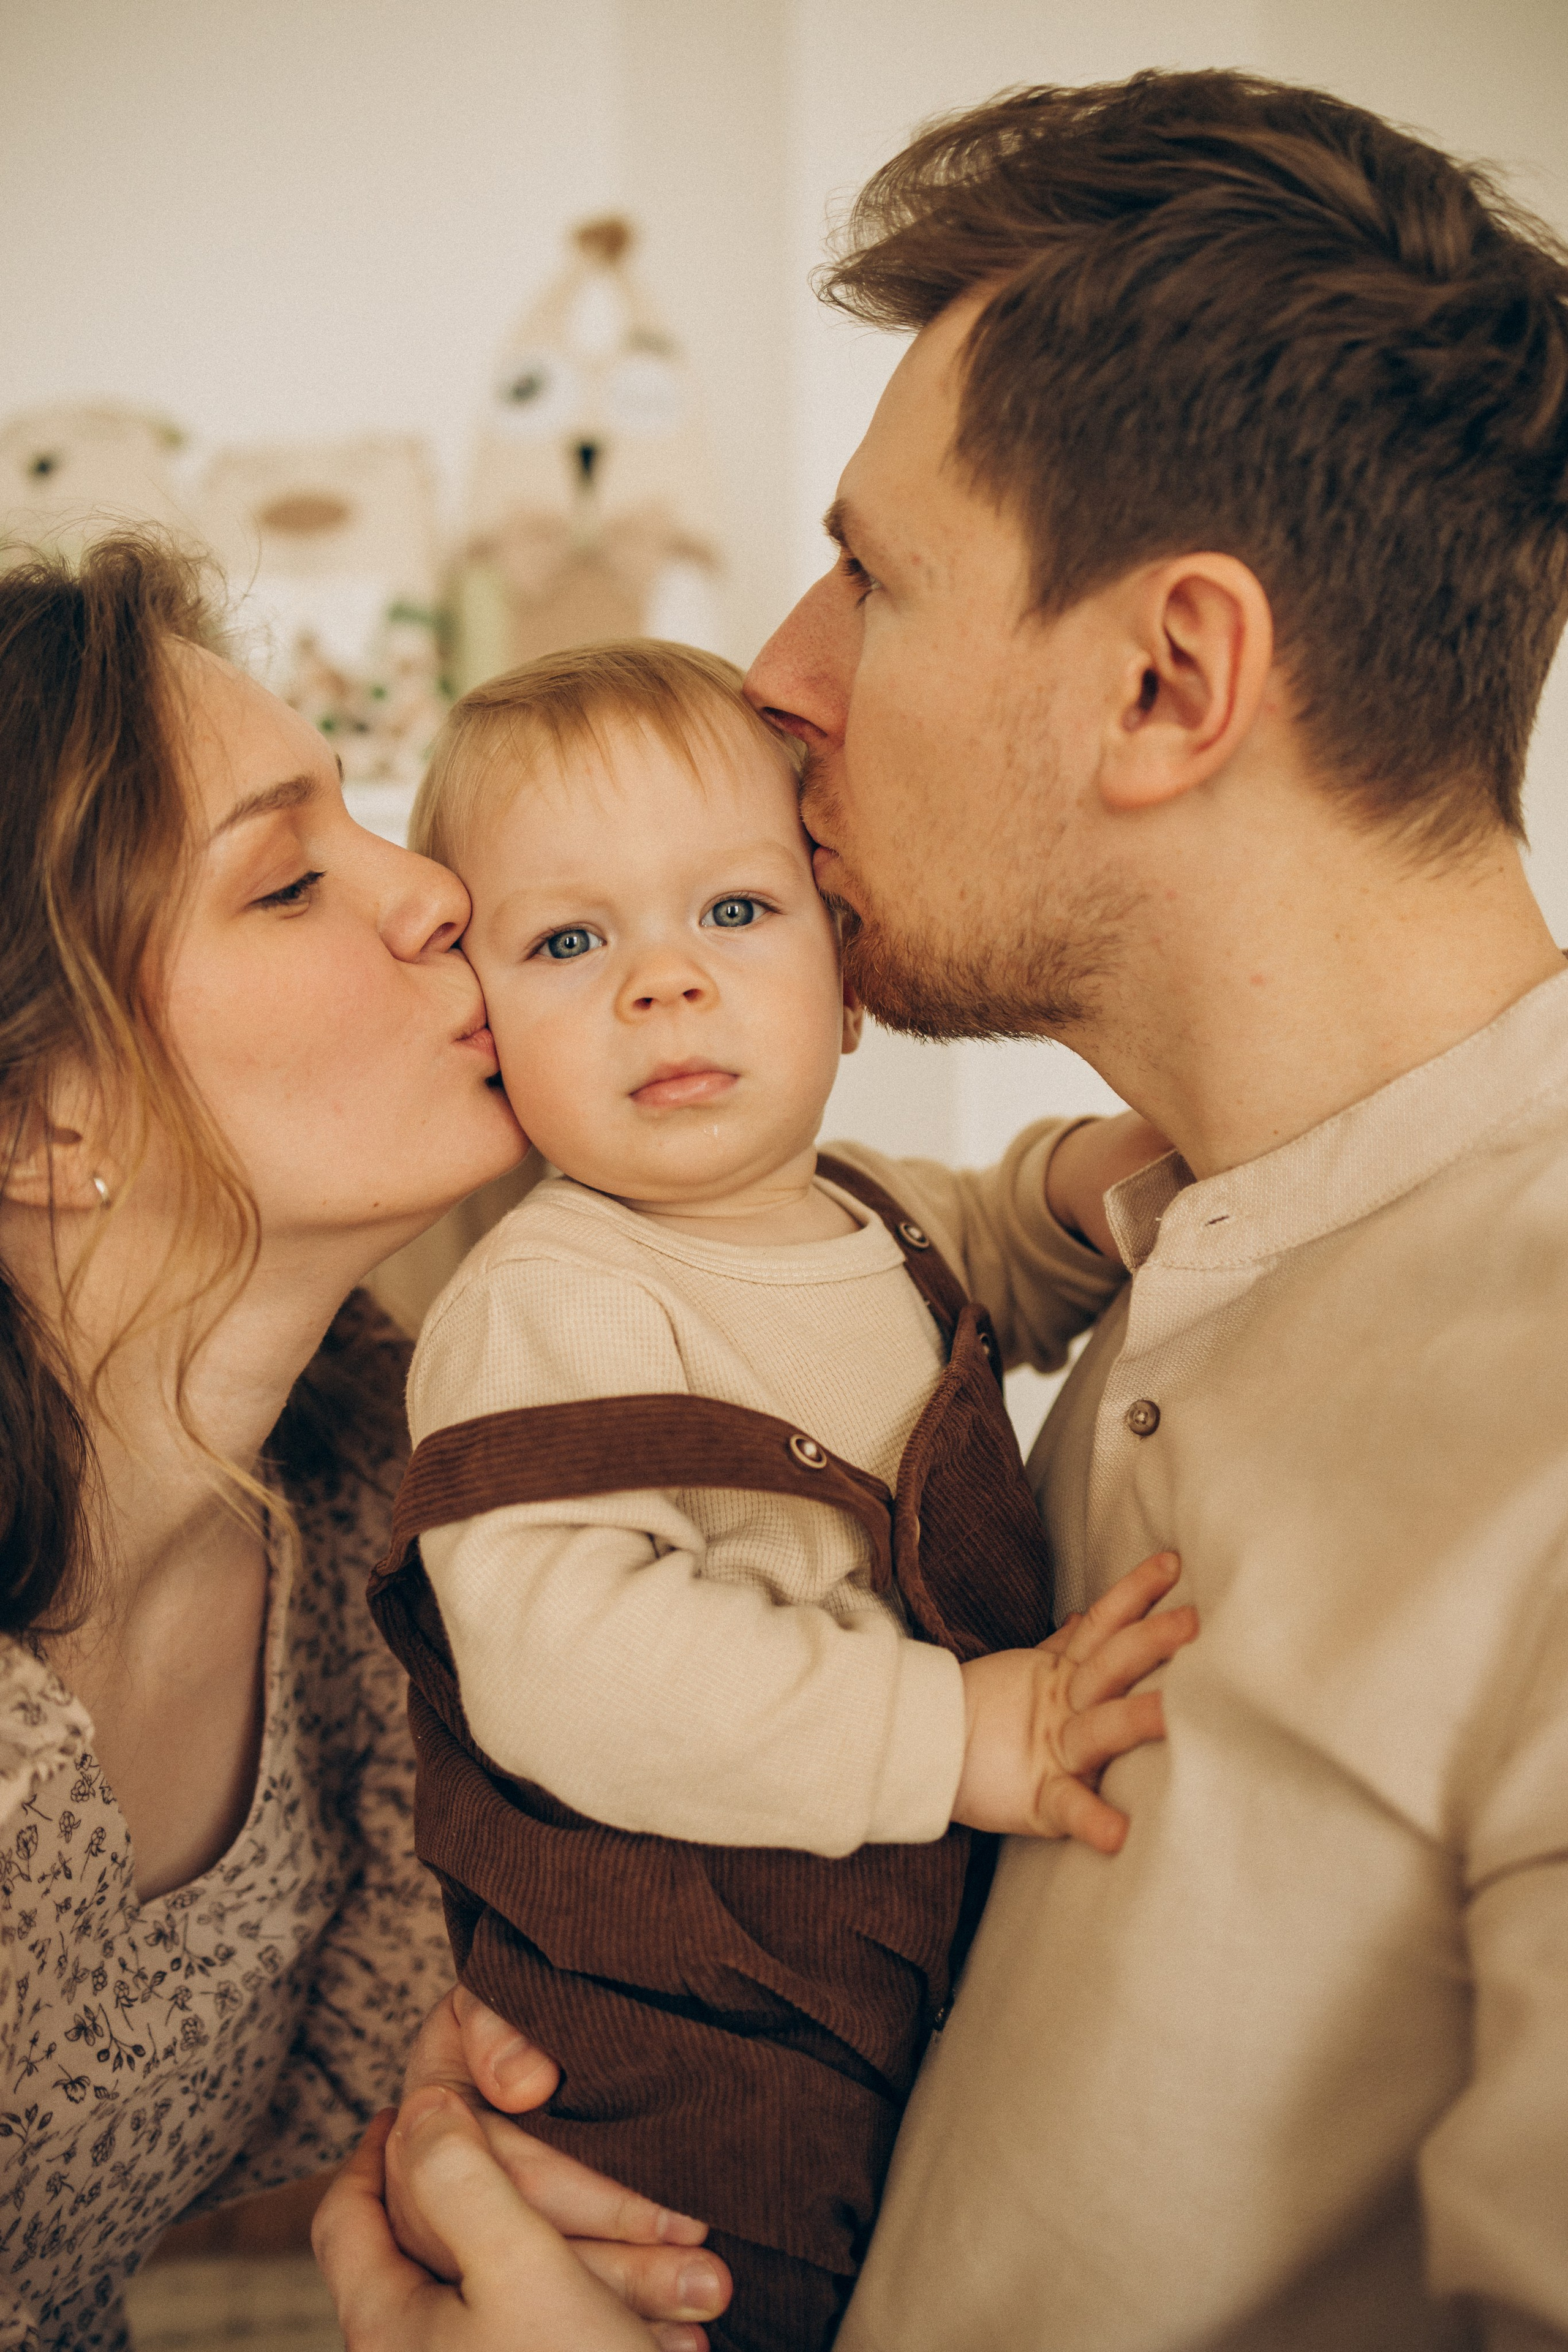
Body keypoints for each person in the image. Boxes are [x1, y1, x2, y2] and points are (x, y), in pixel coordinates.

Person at [320, 63, 1568, 2352]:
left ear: (1170, 680)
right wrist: (628, 2057)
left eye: (872, 576)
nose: (781, 687)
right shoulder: (1159, 1263)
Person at [364, 638, 1192, 2350]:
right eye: (569, 940)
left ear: (848, 965)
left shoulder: (864, 1213)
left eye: (732, 912)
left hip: (865, 1978)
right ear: (484, 1024)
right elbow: (572, 1660)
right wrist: (952, 1736)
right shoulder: (546, 1304)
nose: (663, 983)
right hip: (670, 2040)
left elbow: (998, 1251)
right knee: (723, 2305)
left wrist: (1124, 1166)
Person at [0, 538, 736, 2352]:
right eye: (285, 883)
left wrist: (439, 2157)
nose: (434, 893)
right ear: (36, 1118)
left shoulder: (355, 1497)